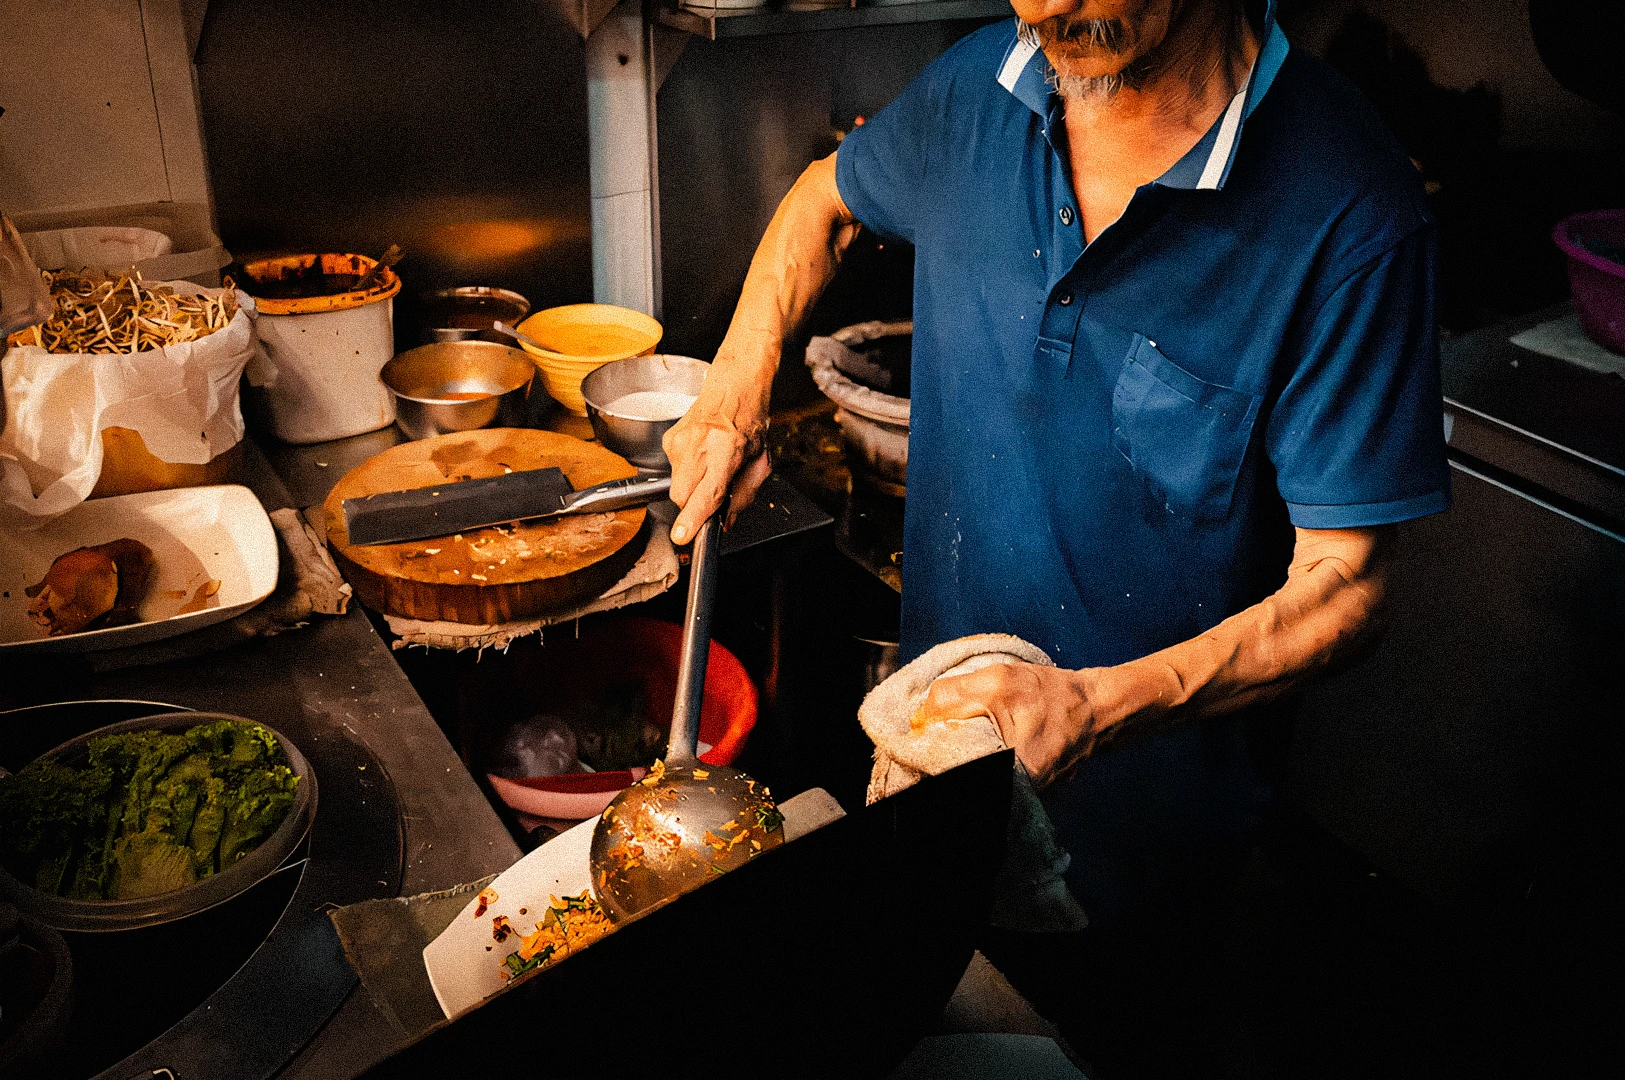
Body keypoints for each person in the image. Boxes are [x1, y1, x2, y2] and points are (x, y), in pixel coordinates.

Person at [662, 0, 1450, 1073]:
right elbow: (824, 202)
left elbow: (1347, 585)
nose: (1037, 6)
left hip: (1145, 856)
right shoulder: (982, 82)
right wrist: (736, 381)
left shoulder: (1345, 207)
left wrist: (1092, 705)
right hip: (933, 777)